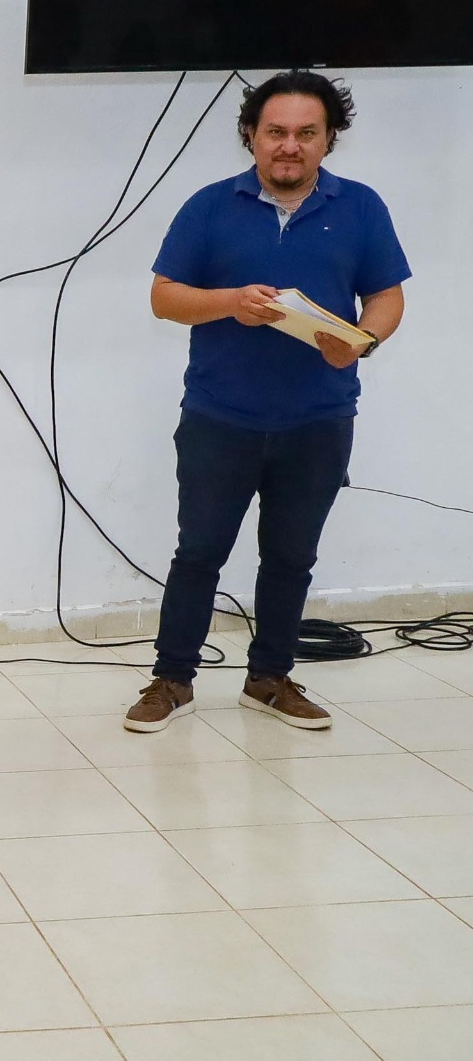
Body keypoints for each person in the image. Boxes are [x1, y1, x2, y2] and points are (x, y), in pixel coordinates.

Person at [126, 70, 410, 734]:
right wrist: (231, 302)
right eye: (276, 132)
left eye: (306, 133)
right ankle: (172, 679)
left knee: (291, 556)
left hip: (319, 419)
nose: (290, 145)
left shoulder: (361, 207)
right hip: (220, 417)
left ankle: (270, 679)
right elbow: (164, 298)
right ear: (251, 135)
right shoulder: (209, 206)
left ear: (328, 139)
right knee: (199, 553)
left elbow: (387, 296)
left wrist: (364, 341)